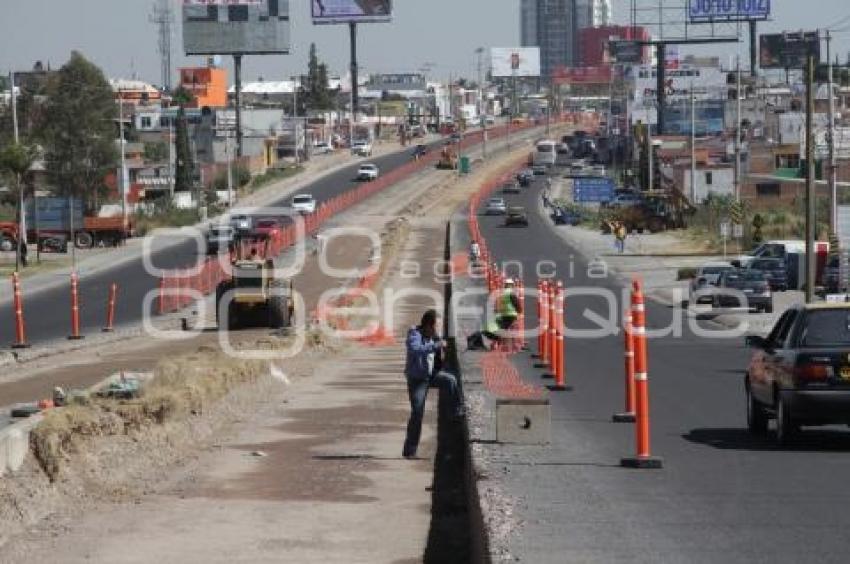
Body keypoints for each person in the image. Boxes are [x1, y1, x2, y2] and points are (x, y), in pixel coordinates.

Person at [403, 309, 462, 459]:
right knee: (417, 413)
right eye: (437, 326)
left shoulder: (435, 335)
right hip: (417, 379)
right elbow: (415, 349)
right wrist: (436, 346)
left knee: (451, 380)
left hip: (432, 375)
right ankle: (410, 451)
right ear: (428, 325)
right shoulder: (414, 334)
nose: (439, 330)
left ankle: (455, 411)